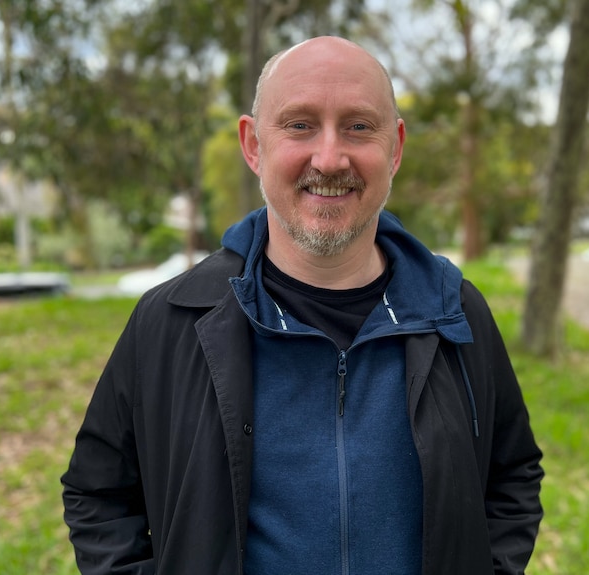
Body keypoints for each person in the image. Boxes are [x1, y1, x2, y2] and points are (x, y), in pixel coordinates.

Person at [61, 36, 543, 575]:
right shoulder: (171, 321)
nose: (330, 158)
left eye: (359, 126)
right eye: (300, 125)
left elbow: (513, 474)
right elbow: (97, 494)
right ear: (253, 145)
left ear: (396, 148)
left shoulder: (456, 314)